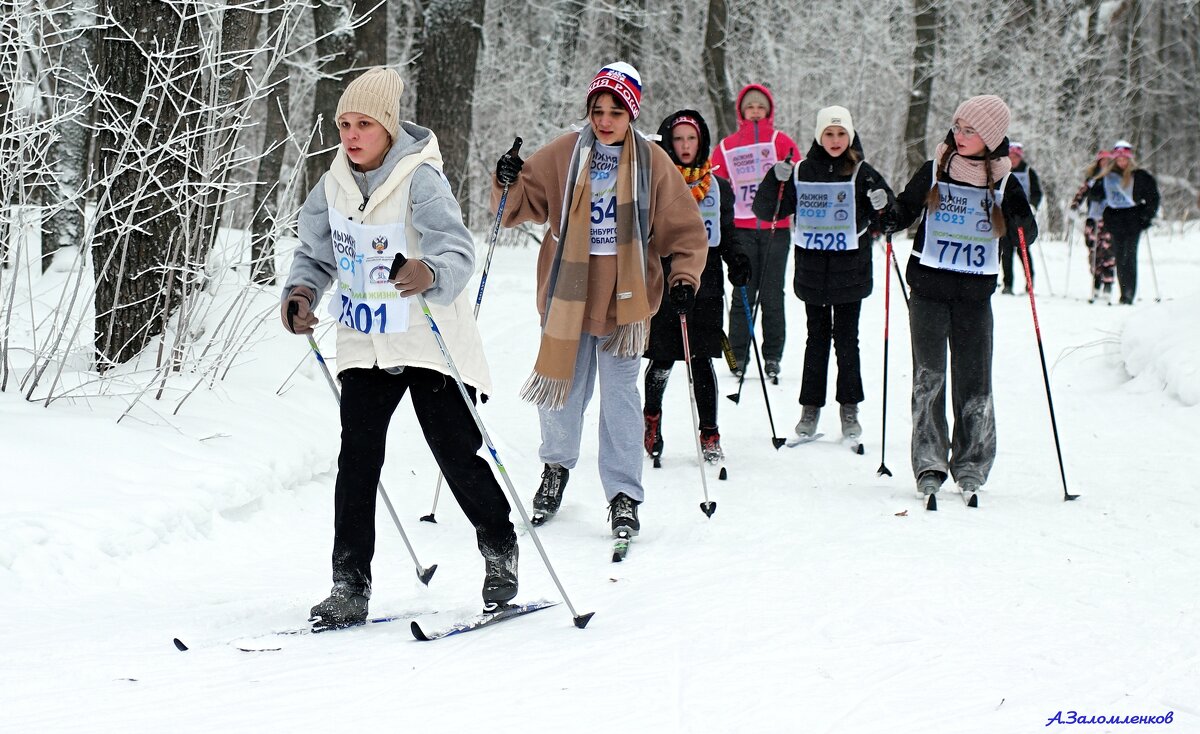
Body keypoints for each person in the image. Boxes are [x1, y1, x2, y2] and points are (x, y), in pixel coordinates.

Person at [280, 67, 519, 629]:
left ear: (388, 128)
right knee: (357, 459)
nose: (352, 135)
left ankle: (499, 544)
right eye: (344, 124)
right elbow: (314, 254)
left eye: (364, 124)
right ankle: (349, 584)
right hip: (365, 338)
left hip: (427, 336)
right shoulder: (331, 184)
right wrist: (300, 291)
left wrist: (426, 269)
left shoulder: (421, 179)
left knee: (454, 449)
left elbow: (456, 250)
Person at [491, 62, 709, 541]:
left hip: (625, 300)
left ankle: (624, 495)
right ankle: (556, 468)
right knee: (563, 392)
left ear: (631, 113)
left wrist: (684, 278)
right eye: (597, 109)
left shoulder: (653, 161)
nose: (605, 119)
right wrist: (506, 178)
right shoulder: (565, 154)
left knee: (620, 400)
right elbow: (512, 208)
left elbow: (688, 232)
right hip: (568, 293)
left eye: (615, 110)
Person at [880, 95, 1037, 501]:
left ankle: (971, 464)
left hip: (974, 295)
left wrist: (1020, 222)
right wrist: (887, 217)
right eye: (958, 127)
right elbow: (905, 208)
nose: (961, 135)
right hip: (928, 291)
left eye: (972, 130)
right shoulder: (935, 169)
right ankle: (929, 463)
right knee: (928, 379)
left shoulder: (1003, 180)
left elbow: (1027, 233)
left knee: (975, 381)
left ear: (991, 137)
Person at [754, 106, 892, 444]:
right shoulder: (801, 172)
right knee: (815, 340)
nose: (834, 140)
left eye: (841, 134)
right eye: (828, 134)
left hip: (850, 271)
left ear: (850, 136)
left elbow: (888, 220)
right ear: (819, 135)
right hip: (813, 271)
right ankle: (810, 409)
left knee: (848, 340)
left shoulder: (862, 172)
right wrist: (776, 179)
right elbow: (765, 210)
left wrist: (882, 203)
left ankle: (849, 407)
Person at [642, 109, 751, 465]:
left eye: (692, 139)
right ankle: (651, 420)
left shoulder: (717, 187)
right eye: (678, 139)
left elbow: (727, 232)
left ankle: (709, 433)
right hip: (663, 279)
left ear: (701, 142)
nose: (686, 146)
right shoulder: (657, 182)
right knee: (661, 359)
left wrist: (737, 258)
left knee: (702, 360)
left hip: (706, 283)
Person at [711, 84, 802, 379]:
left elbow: (800, 178)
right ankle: (737, 356)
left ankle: (772, 356)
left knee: (773, 293)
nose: (755, 112)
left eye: (760, 107)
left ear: (769, 110)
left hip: (776, 228)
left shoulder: (780, 141)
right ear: (741, 111)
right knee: (742, 293)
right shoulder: (727, 146)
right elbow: (715, 184)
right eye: (750, 107)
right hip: (741, 228)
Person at [1085, 140, 1159, 304]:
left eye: (1125, 159)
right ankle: (1123, 291)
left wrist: (1147, 216)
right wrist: (1094, 188)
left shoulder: (1140, 176)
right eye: (1119, 160)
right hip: (1115, 220)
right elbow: (1095, 194)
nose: (1122, 163)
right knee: (1119, 257)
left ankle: (1128, 294)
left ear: (1129, 159)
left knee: (1130, 256)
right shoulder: (1107, 177)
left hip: (1134, 219)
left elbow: (1153, 198)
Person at [1070, 149, 1117, 300]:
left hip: (1109, 220)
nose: (1105, 164)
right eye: (1102, 161)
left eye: (1107, 161)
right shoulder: (1092, 179)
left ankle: (1108, 282)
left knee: (1108, 252)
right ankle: (1097, 281)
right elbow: (1081, 193)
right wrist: (1074, 206)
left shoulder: (1115, 178)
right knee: (1093, 251)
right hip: (1093, 219)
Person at [999, 141, 1042, 294]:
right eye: (1010, 156)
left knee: (1023, 251)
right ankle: (1008, 284)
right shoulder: (1002, 171)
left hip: (1022, 217)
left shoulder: (1028, 171)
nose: (1013, 160)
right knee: (1006, 251)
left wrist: (1032, 205)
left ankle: (1030, 283)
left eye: (1015, 157)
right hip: (1005, 217)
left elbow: (1037, 192)